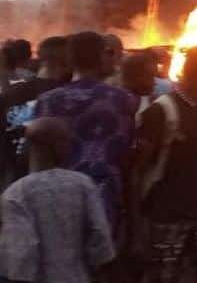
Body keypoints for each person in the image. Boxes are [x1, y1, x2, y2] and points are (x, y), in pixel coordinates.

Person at [135, 44, 197, 283]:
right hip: (166, 213)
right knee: (163, 277)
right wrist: (137, 223)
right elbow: (138, 169)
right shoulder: (162, 111)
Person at [33, 31, 138, 237]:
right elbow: (128, 159)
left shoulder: (48, 101)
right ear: (101, 57)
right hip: (105, 196)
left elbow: (40, 158)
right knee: (101, 261)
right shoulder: (123, 99)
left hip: (58, 200)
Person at [0, 117, 115, 283]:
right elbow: (100, 236)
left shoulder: (15, 194)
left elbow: (22, 255)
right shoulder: (83, 184)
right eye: (67, 143)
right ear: (59, 147)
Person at [1, 36, 71, 188]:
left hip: (14, 181)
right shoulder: (68, 97)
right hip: (60, 184)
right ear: (67, 62)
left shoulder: (11, 93)